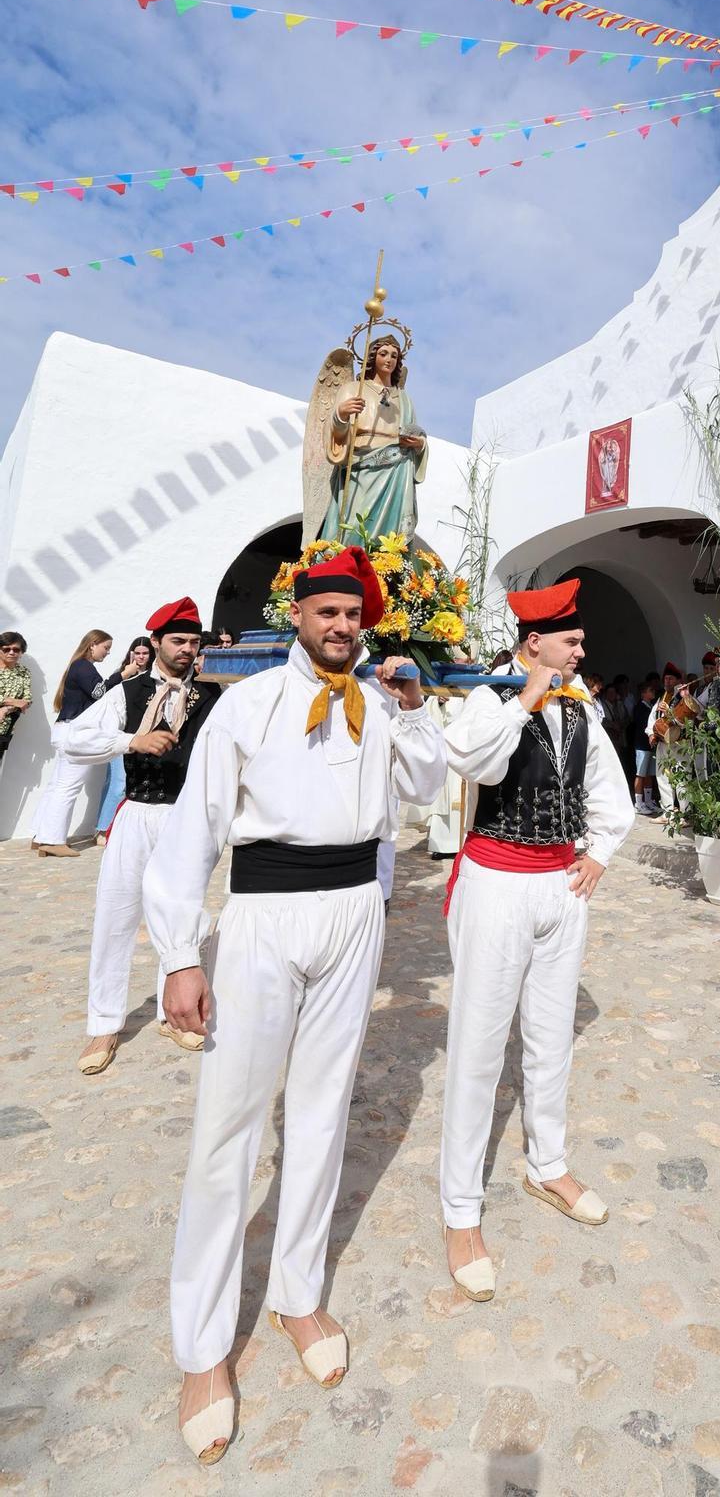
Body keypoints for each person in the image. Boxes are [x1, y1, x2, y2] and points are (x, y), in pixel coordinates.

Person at [142, 547, 445, 1466]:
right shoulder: (246, 706)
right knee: (229, 1125)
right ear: (299, 618)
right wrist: (180, 955)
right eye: (326, 613)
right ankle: (201, 1350)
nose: (342, 627)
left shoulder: (382, 705)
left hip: (355, 910)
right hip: (266, 914)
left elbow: (429, 787)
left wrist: (416, 706)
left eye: (354, 615)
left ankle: (299, 1295)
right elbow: (192, 834)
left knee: (322, 1113)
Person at [439, 579, 633, 1303]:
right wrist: (527, 697)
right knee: (481, 1041)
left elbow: (608, 792)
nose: (583, 650)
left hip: (561, 886)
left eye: (580, 640)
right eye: (572, 641)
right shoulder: (490, 701)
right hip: (494, 882)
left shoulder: (582, 709)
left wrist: (599, 854)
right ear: (534, 643)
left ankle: (546, 1162)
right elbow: (473, 762)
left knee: (552, 1038)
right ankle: (460, 1209)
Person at [67, 602, 222, 1076]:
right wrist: (128, 742)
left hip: (188, 817)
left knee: (183, 915)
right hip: (137, 811)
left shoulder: (215, 695)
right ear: (155, 642)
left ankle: (172, 1014)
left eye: (194, 643)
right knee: (116, 914)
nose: (187, 651)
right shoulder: (127, 692)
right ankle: (104, 1022)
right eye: (178, 641)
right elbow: (71, 740)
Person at [322, 333, 427, 541]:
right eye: (383, 353)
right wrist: (341, 414)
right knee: (355, 527)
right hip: (361, 468)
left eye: (394, 356)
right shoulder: (353, 389)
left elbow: (415, 432)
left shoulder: (404, 399)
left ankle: (388, 565)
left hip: (398, 468)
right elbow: (336, 435)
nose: (389, 359)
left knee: (389, 538)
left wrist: (420, 444)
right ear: (372, 357)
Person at [30, 629, 113, 857]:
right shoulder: (84, 667)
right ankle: (52, 839)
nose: (107, 653)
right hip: (75, 733)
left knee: (58, 784)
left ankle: (40, 834)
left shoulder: (77, 666)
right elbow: (100, 693)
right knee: (68, 787)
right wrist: (121, 676)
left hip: (65, 729)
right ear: (93, 644)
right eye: (106, 648)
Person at [94, 637, 153, 842]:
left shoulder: (153, 678)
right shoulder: (122, 676)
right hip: (119, 735)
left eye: (145, 653)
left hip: (140, 737)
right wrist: (127, 674)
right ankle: (103, 829)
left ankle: (111, 828)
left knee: (126, 782)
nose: (141, 657)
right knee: (117, 783)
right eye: (137, 653)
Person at [648, 662, 684, 813]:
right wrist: (650, 733)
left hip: (678, 743)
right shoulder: (662, 696)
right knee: (662, 776)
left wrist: (669, 711)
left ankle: (685, 812)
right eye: (666, 679)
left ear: (676, 680)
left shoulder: (682, 696)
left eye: (670, 679)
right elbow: (652, 716)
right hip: (662, 742)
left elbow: (684, 720)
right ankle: (668, 811)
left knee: (682, 777)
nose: (667, 681)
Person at [0, 631, 32, 770]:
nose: (11, 652)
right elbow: (20, 702)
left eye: (16, 649)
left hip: (5, 729)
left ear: (21, 652)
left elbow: (26, 701)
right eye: (6, 649)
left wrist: (5, 708)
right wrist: (15, 702)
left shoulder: (24, 672)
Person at [631, 677, 660, 815]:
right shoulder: (639, 707)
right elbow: (643, 725)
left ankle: (648, 801)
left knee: (649, 774)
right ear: (643, 693)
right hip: (642, 745)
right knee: (640, 774)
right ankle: (638, 803)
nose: (653, 692)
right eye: (650, 690)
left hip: (650, 746)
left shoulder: (651, 706)